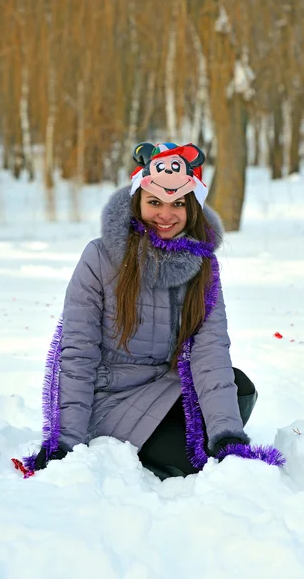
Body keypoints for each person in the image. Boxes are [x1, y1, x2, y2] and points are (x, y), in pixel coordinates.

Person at [22, 142, 283, 481]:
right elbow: (78, 352)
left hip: (164, 385)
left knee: (239, 388)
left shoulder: (201, 265)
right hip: (109, 396)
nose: (165, 214)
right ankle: (142, 448)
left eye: (178, 204)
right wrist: (66, 441)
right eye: (154, 202)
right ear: (137, 202)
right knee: (195, 463)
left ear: (193, 208)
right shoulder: (100, 258)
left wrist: (227, 436)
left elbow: (210, 352)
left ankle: (180, 439)